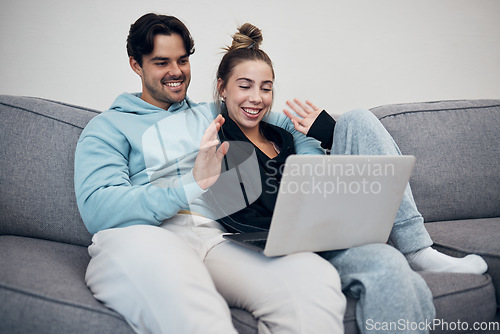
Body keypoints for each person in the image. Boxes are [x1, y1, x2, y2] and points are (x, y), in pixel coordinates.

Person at [75, 13, 346, 334]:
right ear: (136, 65)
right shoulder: (108, 126)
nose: (176, 72)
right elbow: (98, 208)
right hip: (143, 235)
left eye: (182, 60)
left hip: (217, 236)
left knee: (312, 276)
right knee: (194, 308)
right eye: (161, 62)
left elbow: (289, 125)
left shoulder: (211, 114)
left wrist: (308, 166)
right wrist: (189, 185)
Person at [211, 23, 488, 334]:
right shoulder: (218, 144)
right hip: (293, 248)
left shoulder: (282, 135)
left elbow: (328, 178)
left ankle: (416, 248)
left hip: (332, 230)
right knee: (389, 265)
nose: (257, 98)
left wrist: (328, 133)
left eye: (266, 87)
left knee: (356, 118)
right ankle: (409, 253)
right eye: (245, 86)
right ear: (223, 88)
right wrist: (296, 230)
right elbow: (237, 217)